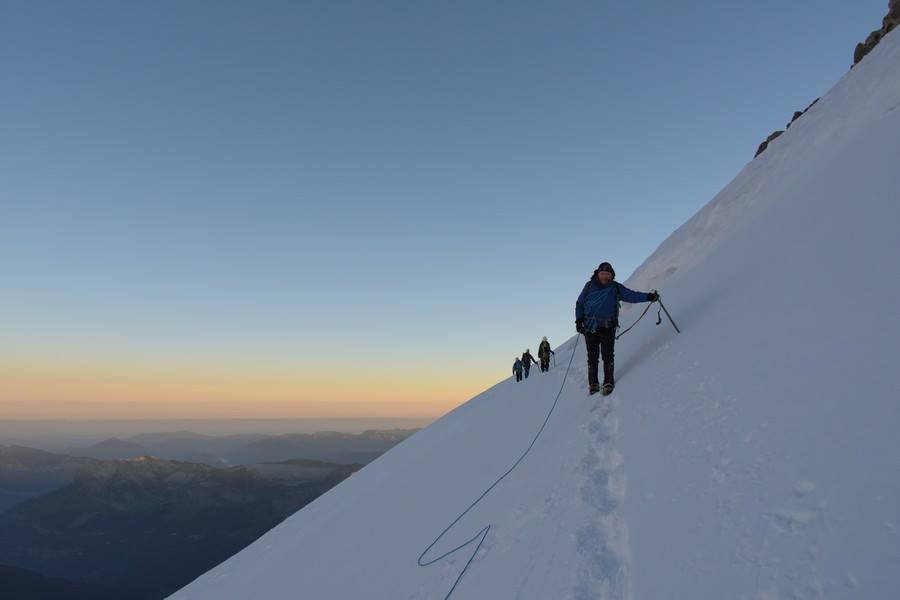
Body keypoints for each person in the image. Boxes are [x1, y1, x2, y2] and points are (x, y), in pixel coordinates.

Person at [575, 262, 658, 395]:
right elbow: (580, 303)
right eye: (602, 274)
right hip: (590, 327)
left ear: (611, 276)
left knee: (607, 356)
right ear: (598, 274)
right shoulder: (589, 286)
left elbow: (631, 295)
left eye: (607, 274)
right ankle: (593, 384)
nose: (605, 277)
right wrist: (579, 320)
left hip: (607, 326)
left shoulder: (615, 287)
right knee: (592, 357)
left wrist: (648, 297)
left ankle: (608, 382)